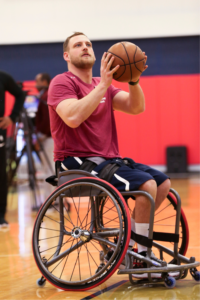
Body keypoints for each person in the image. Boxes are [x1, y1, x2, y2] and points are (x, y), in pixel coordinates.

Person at [47, 32, 174, 278]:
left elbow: (136, 107)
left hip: (108, 161)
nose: (85, 47)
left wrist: (134, 80)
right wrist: (104, 85)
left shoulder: (100, 84)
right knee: (145, 185)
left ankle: (131, 249)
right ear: (66, 55)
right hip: (75, 163)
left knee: (162, 183)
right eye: (78, 45)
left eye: (88, 44)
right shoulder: (62, 83)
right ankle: (140, 261)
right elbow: (72, 117)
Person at [0, 70, 25, 228]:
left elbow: (20, 94)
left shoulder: (3, 77)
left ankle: (1, 214)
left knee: (1, 173)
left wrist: (13, 116)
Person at [35, 73, 55, 199]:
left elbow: (49, 120)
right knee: (49, 169)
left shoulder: (47, 96)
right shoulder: (43, 95)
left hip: (48, 138)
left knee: (49, 169)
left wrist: (42, 136)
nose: (36, 84)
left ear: (44, 82)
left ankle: (51, 199)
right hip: (47, 137)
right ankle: (52, 199)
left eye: (37, 81)